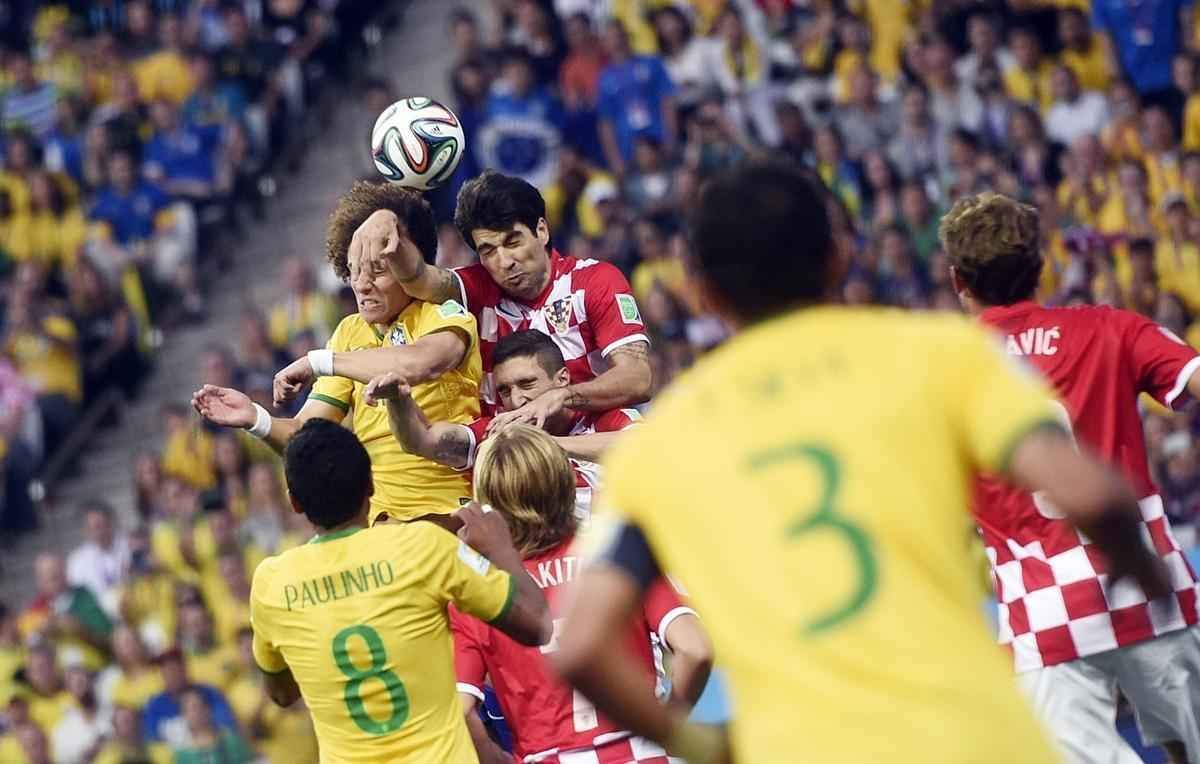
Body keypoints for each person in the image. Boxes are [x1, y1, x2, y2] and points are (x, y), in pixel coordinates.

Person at [549, 162, 1170, 763]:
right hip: (973, 738)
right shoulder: (942, 354)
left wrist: (701, 746)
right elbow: (1094, 496)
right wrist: (1144, 574)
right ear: (840, 256)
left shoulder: (665, 441)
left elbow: (582, 647)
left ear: (704, 293)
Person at [942, 191, 1200, 764]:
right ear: (1041, 267)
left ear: (958, 280)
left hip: (1047, 622)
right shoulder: (1112, 328)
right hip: (1152, 589)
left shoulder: (944, 373)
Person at [249, 418, 550, 761]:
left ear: (294, 503)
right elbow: (536, 624)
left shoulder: (272, 582)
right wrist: (502, 549)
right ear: (372, 485)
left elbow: (282, 694)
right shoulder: (424, 546)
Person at [192, 182, 484, 521]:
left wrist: (318, 362)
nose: (361, 283)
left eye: (377, 270)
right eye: (354, 269)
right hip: (384, 526)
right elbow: (305, 433)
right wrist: (256, 420)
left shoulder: (444, 313)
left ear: (408, 264)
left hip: (451, 513)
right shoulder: (349, 332)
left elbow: (420, 363)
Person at [452, 424, 712, 763]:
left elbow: (461, 713)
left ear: (488, 498)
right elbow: (695, 649)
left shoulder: (476, 589)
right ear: (563, 481)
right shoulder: (614, 552)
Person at [348, 170, 653, 420]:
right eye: (489, 250)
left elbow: (638, 378)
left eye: (513, 241)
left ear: (542, 231)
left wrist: (563, 396)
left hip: (592, 449)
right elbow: (418, 279)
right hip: (510, 463)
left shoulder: (594, 281)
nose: (505, 261)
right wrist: (386, 220)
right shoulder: (478, 288)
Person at [367, 330, 641, 520]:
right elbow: (422, 440)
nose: (517, 400)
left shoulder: (607, 419)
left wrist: (543, 446)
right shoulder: (498, 432)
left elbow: (645, 448)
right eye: (505, 391)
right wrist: (398, 400)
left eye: (527, 384)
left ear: (562, 379)